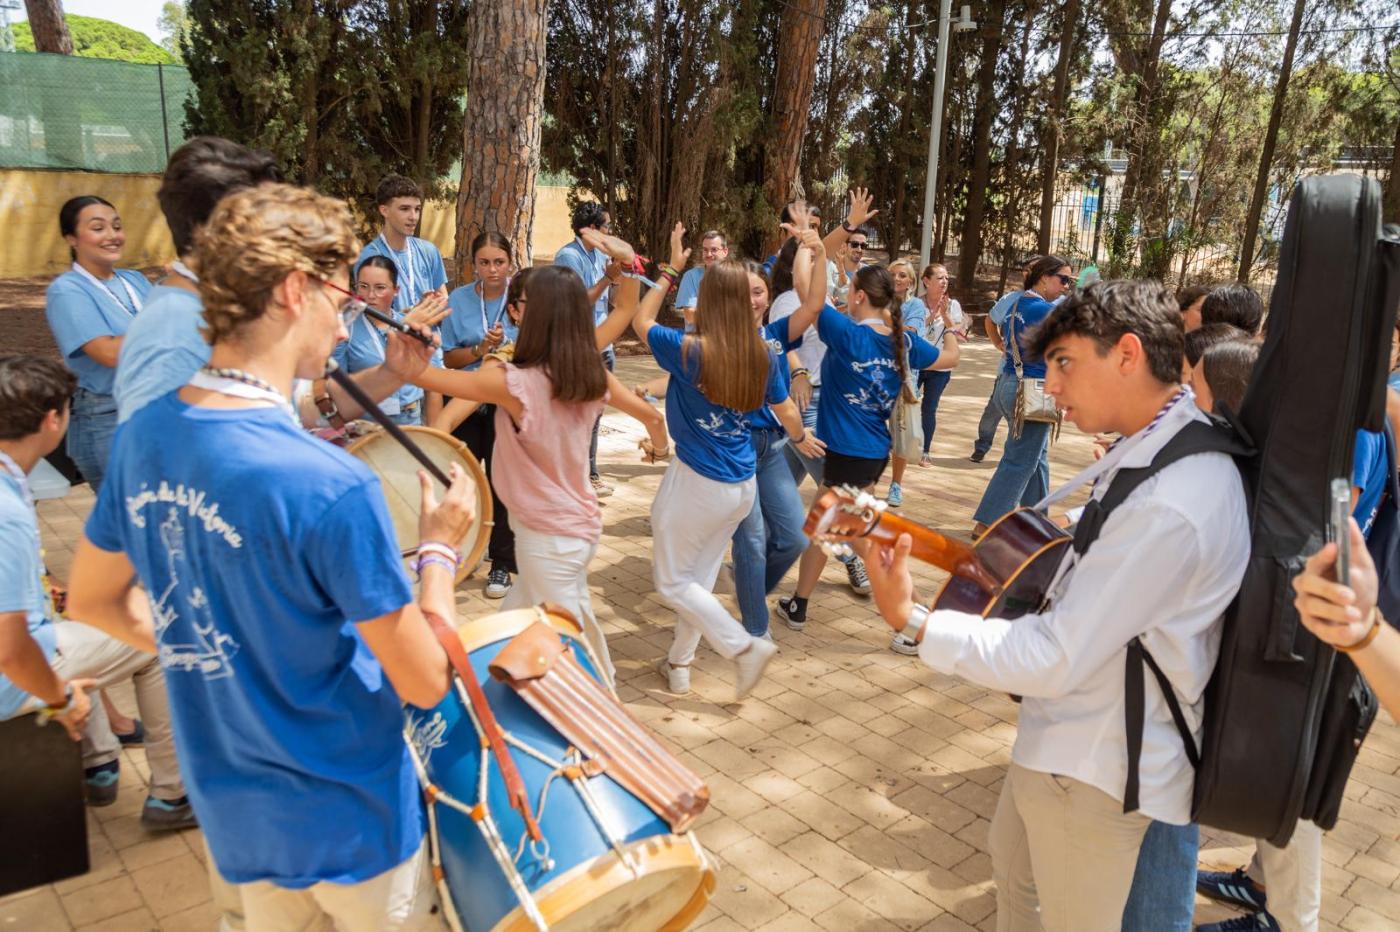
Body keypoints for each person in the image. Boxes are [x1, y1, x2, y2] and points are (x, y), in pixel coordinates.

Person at [67, 182, 472, 930]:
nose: (345, 313)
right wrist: (439, 552)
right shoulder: (330, 484)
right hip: (350, 816)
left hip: (236, 809)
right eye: (340, 297)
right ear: (295, 290)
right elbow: (423, 679)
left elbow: (92, 601)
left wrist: (210, 649)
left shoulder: (145, 437)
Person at [857, 280, 1249, 932]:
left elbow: (1055, 655)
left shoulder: (1170, 501)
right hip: (1069, 743)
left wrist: (915, 620)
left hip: (1095, 768)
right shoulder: (1163, 442)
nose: (1051, 385)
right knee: (1012, 874)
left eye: (1064, 362)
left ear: (1127, 354)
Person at [413, 262, 670, 685]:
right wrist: (659, 449)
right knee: (509, 630)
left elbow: (419, 376)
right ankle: (496, 696)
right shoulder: (587, 370)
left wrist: (411, 336)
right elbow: (652, 417)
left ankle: (601, 718)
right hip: (570, 530)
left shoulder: (513, 380)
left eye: (522, 304)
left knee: (577, 646)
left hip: (549, 538)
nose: (516, 311)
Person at [115, 136, 436, 431]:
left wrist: (390, 373)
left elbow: (303, 403)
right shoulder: (173, 329)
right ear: (229, 228)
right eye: (274, 217)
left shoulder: (232, 304)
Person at [0, 355, 193, 828]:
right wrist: (62, 700)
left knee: (86, 624)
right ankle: (174, 792)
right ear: (53, 420)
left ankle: (100, 763)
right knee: (164, 630)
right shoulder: (7, 511)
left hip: (28, 645)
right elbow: (10, 647)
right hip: (9, 676)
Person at [775, 222, 959, 643]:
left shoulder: (846, 334)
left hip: (847, 455)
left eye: (850, 290)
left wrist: (814, 248)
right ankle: (799, 604)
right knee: (823, 526)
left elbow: (807, 292)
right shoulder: (904, 341)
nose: (846, 297)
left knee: (866, 542)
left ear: (858, 296)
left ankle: (914, 622)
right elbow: (951, 358)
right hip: (872, 452)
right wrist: (946, 323)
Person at [639, 224, 790, 700]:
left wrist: (669, 268)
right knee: (698, 579)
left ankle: (743, 648)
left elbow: (640, 318)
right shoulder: (763, 352)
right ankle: (679, 664)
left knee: (671, 580)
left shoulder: (689, 350)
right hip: (738, 483)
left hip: (700, 481)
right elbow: (784, 411)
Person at [768, 192, 884, 598]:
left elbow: (818, 262)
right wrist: (798, 370)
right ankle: (855, 558)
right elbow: (783, 340)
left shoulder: (827, 290)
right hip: (806, 401)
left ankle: (766, 555)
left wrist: (847, 229)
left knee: (774, 479)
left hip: (819, 400)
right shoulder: (788, 298)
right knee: (840, 496)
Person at [731, 258, 826, 639]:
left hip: (771, 449)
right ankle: (755, 630)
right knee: (752, 542)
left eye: (758, 291)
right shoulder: (718, 339)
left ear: (769, 295)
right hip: (734, 453)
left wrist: (813, 246)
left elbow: (815, 303)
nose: (752, 300)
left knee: (793, 539)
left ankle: (748, 591)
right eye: (744, 292)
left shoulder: (775, 334)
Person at [44, 196, 152, 490]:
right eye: (98, 228)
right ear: (71, 238)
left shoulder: (136, 280)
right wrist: (167, 330)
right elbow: (107, 352)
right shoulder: (67, 291)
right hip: (107, 417)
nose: (112, 236)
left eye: (116, 226)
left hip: (152, 407)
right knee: (128, 521)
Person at [439, 231, 521, 599]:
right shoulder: (458, 299)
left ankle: (502, 563)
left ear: (510, 263)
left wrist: (503, 353)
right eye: (484, 262)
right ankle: (465, 552)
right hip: (464, 403)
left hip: (505, 404)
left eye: (499, 262)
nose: (492, 269)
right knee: (465, 481)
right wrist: (480, 348)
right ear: (473, 265)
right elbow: (447, 358)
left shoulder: (521, 300)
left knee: (503, 484)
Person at [970, 255, 1074, 538]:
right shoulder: (1045, 310)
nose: (1067, 286)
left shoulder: (1016, 303)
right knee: (1019, 460)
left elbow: (996, 328)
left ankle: (1037, 520)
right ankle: (986, 522)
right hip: (1032, 390)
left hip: (1008, 384)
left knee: (1035, 456)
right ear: (1043, 277)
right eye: (1063, 279)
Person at [555, 201, 623, 498]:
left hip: (603, 344)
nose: (610, 233)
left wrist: (618, 278)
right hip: (581, 346)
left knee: (595, 415)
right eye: (607, 227)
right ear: (592, 229)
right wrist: (608, 277)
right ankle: (573, 479)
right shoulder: (569, 256)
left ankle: (590, 474)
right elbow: (581, 300)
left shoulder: (598, 254)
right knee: (576, 415)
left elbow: (612, 300)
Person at [333, 256, 444, 426]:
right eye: (363, 287)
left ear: (396, 290)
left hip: (411, 419)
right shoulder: (346, 329)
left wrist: (436, 438)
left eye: (380, 288)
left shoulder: (413, 325)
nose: (370, 296)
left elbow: (434, 388)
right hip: (367, 423)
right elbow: (336, 387)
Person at [888, 262, 965, 503]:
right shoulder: (878, 300)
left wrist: (880, 322)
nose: (897, 279)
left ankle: (897, 484)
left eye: (903, 275)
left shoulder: (914, 306)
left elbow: (912, 333)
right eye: (893, 275)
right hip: (878, 374)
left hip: (914, 370)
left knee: (910, 424)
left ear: (911, 281)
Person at [971, 257, 1043, 464]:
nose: (1028, 273)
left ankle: (1019, 457)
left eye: (1034, 269)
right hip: (1009, 371)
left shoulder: (1054, 302)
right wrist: (998, 344)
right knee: (994, 410)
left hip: (1038, 376)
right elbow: (990, 321)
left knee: (1030, 420)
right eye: (1026, 270)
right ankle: (983, 445)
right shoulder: (1013, 299)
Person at [357, 174, 449, 313]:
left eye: (417, 209)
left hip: (432, 334)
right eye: (405, 209)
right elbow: (373, 318)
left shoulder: (428, 250)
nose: (413, 217)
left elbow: (444, 299)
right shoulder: (369, 258)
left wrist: (437, 304)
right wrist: (417, 312)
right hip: (395, 334)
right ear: (384, 210)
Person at [675, 230, 730, 311]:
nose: (709, 254)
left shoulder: (735, 277)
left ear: (725, 252)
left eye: (714, 249)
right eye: (705, 250)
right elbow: (690, 314)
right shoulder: (691, 277)